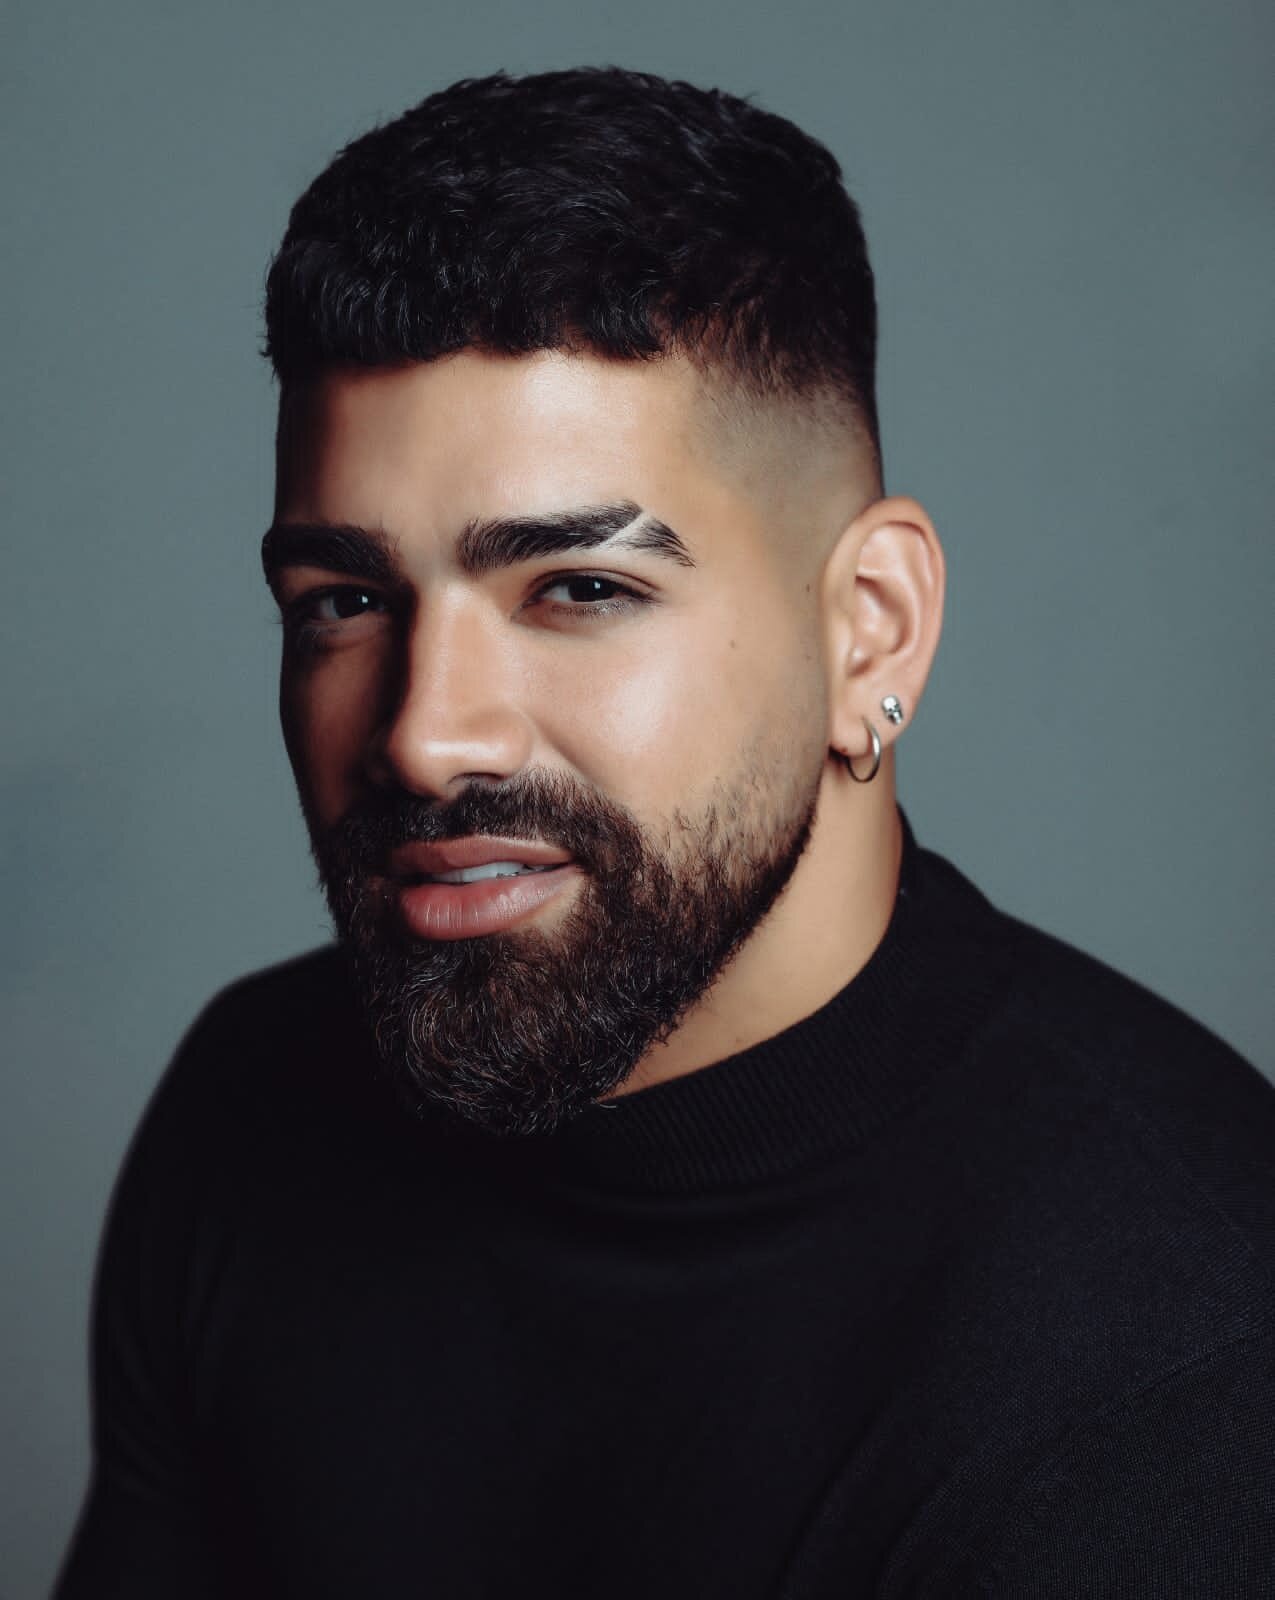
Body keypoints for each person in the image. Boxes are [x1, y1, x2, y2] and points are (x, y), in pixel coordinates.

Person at [56, 66, 1275, 1599]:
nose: (427, 734)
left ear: (871, 634)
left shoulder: (1185, 1373)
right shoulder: (251, 1104)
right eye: (346, 601)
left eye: (579, 589)